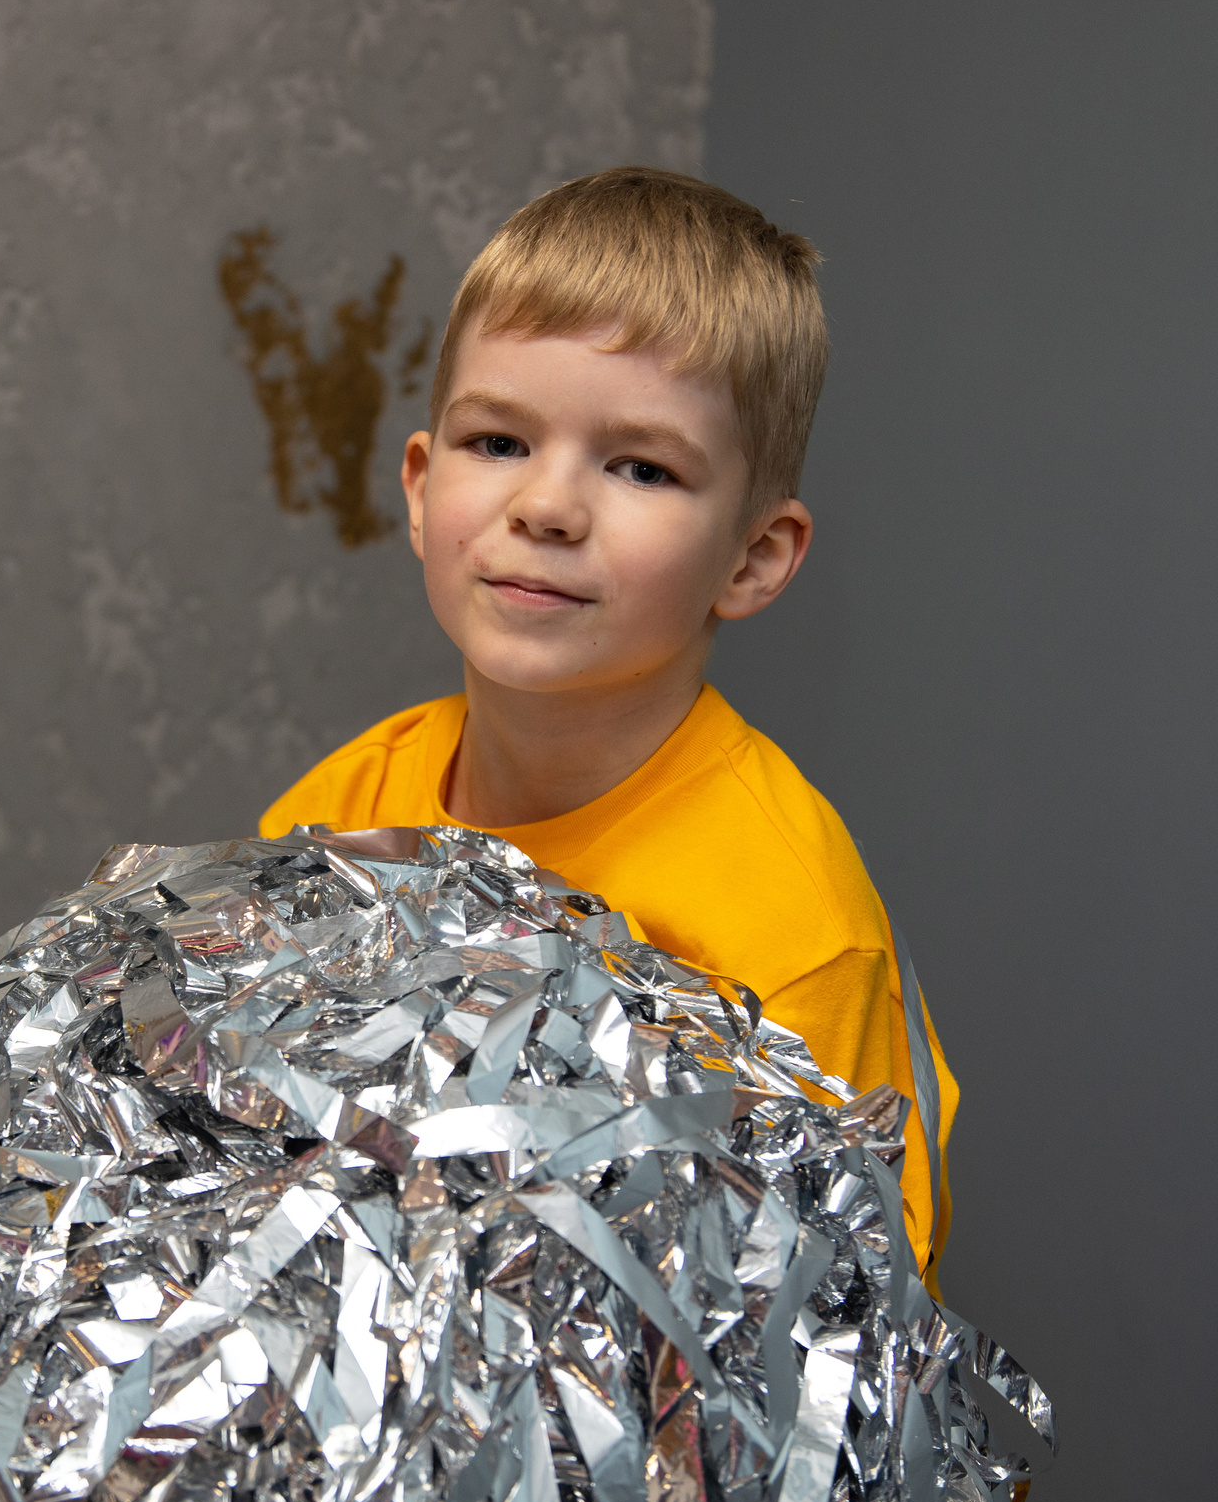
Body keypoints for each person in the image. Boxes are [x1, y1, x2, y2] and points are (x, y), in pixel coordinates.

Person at [259, 167, 959, 1281]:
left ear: (752, 556)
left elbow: (848, 1328)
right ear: (420, 487)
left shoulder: (789, 934)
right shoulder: (341, 815)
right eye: (497, 443)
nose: (545, 507)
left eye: (640, 466)